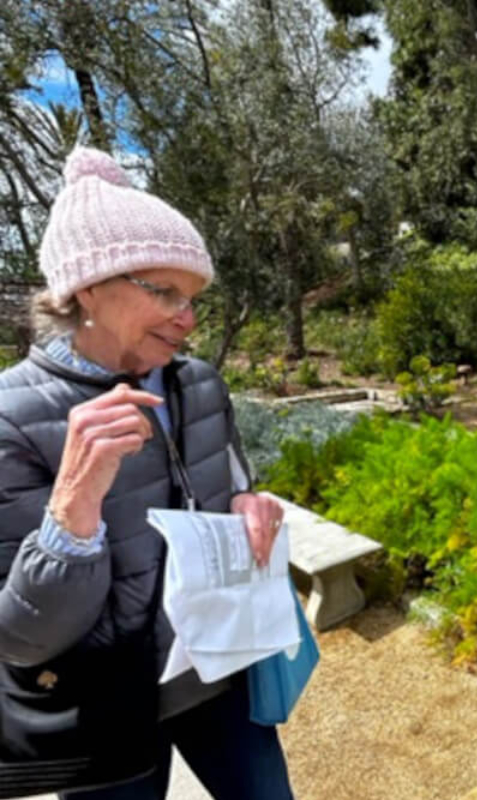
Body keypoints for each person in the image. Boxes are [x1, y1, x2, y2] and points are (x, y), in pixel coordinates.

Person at [0, 146, 296, 799]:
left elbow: (233, 476)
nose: (187, 319)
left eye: (192, 298)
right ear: (86, 290)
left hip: (218, 672)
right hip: (102, 707)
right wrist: (72, 505)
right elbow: (20, 639)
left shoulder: (200, 382)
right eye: (163, 291)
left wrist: (248, 502)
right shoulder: (12, 417)